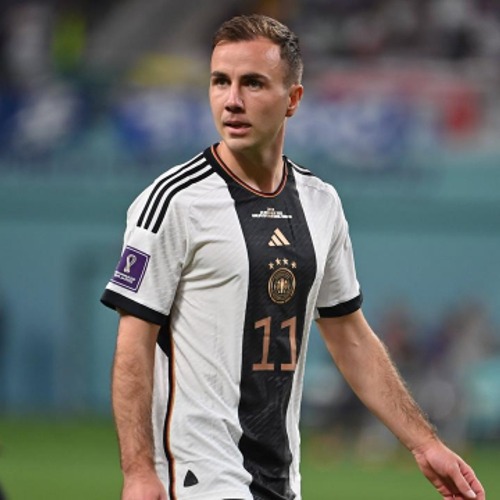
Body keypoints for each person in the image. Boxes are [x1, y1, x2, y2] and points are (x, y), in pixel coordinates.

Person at [101, 14, 485, 500]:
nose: (232, 100)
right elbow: (133, 345)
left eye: (253, 83)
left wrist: (424, 443)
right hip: (197, 478)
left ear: (293, 99)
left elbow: (350, 336)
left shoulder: (321, 203)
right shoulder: (173, 202)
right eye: (220, 81)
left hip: (282, 479)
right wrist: (138, 471)